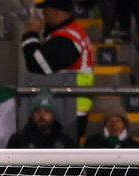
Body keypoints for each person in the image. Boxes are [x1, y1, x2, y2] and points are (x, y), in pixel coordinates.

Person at [21, 0, 94, 134]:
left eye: (45, 10)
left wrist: (31, 34)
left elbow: (37, 66)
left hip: (70, 108)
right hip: (68, 105)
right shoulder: (71, 31)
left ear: (56, 12)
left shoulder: (66, 38)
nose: (43, 14)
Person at [6, 91, 76, 149]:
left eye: (46, 111)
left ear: (53, 115)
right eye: (37, 111)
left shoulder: (65, 141)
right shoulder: (19, 139)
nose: (41, 115)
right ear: (33, 115)